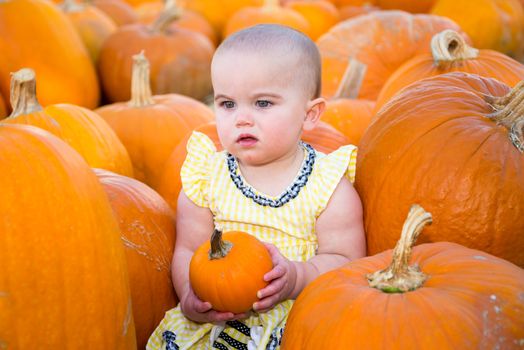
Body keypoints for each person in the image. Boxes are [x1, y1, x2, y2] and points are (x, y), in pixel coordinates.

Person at [147, 24, 366, 350]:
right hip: (217, 321)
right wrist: (189, 295)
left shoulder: (327, 185)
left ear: (309, 115)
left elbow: (347, 261)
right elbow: (188, 250)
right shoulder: (207, 177)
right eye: (227, 104)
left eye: (262, 103)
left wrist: (296, 276)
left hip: (295, 321)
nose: (242, 119)